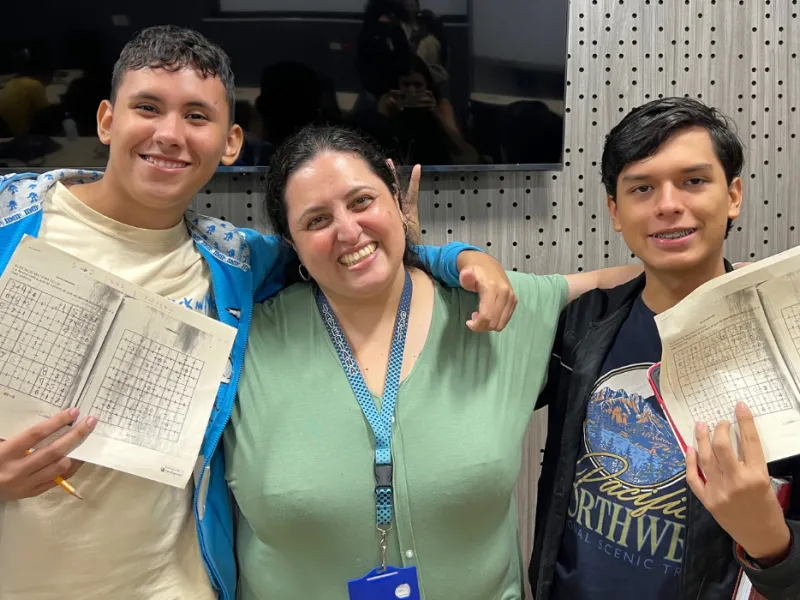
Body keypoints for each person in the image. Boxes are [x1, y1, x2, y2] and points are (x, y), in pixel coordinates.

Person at [0, 25, 518, 600]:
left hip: (176, 585)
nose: (169, 134)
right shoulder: (11, 223)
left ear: (231, 143)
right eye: (147, 108)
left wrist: (457, 257)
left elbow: (353, 256)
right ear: (106, 120)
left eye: (196, 116)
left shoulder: (237, 263)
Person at [222, 125, 643, 599]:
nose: (348, 230)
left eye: (362, 201)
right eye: (317, 220)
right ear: (290, 241)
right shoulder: (244, 342)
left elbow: (644, 282)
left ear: (396, 195)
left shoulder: (492, 308)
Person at [529, 97, 800, 600]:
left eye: (694, 181)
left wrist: (770, 543)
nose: (668, 204)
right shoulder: (580, 324)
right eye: (642, 188)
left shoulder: (789, 350)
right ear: (615, 210)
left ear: (733, 195)